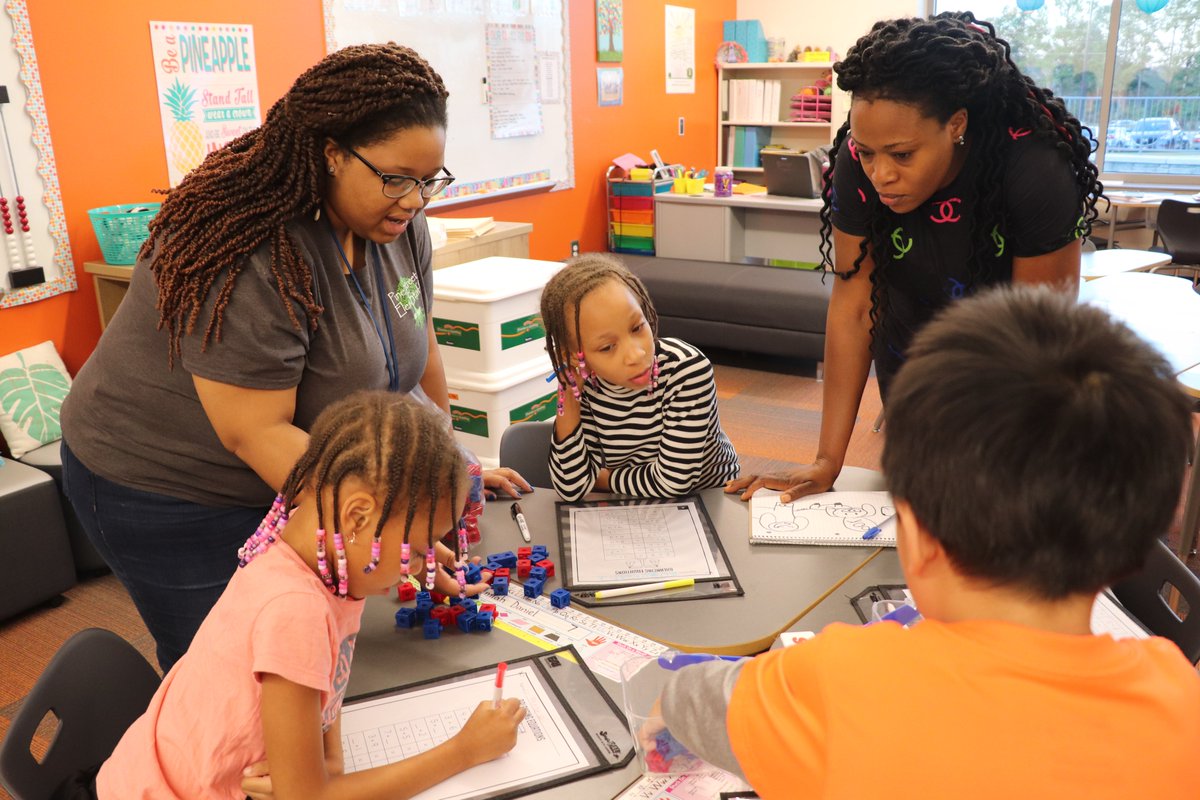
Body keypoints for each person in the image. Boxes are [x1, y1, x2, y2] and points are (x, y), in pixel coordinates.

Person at [60, 44, 528, 673]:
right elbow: (254, 431)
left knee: (312, 647)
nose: (415, 200)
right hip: (168, 487)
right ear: (332, 152)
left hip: (296, 467)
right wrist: (397, 525)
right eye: (396, 179)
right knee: (235, 667)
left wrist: (440, 469)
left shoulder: (399, 222)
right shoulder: (252, 248)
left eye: (429, 179)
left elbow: (420, 351)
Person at [649, 286, 1200, 798]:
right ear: (1130, 545)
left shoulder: (837, 681)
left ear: (914, 533)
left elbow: (689, 700)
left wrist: (676, 702)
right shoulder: (1179, 697)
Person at [728, 12, 1104, 503]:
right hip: (912, 361)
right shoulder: (856, 164)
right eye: (867, 152)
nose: (880, 174)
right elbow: (855, 306)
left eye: (902, 155)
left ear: (956, 125)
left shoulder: (1033, 169)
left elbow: (1040, 341)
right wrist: (827, 459)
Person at [78, 392, 526, 800]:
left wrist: (325, 747)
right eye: (419, 547)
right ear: (357, 516)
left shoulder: (321, 554)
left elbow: (322, 687)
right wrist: (463, 751)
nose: (425, 565)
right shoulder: (295, 610)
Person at [541, 253, 740, 501]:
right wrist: (569, 401)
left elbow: (673, 482)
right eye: (607, 347)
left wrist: (602, 479)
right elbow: (572, 488)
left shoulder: (686, 369)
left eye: (637, 328)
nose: (635, 354)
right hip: (638, 502)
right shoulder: (588, 386)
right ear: (573, 356)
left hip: (711, 496)